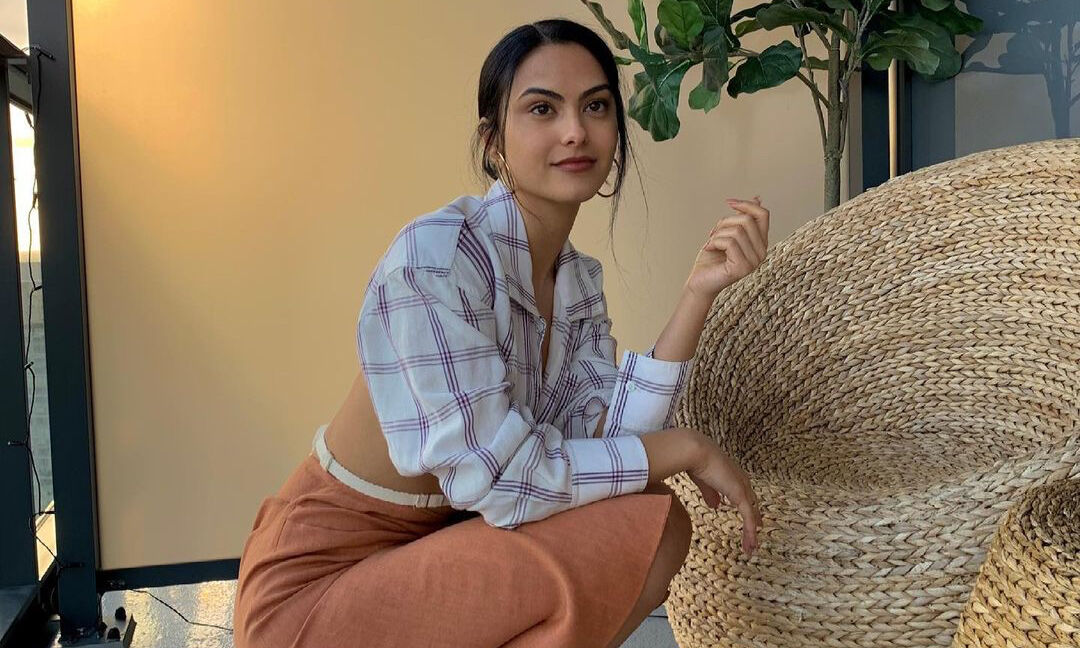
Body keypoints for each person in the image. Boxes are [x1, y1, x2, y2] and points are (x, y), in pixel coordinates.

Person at [233, 17, 767, 648]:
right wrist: (690, 449)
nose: (575, 131)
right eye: (543, 109)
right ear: (493, 143)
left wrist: (697, 295)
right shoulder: (437, 260)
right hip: (318, 585)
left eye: (595, 106)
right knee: (652, 520)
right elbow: (505, 482)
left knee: (648, 518)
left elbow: (609, 449)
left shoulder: (574, 282)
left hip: (443, 546)